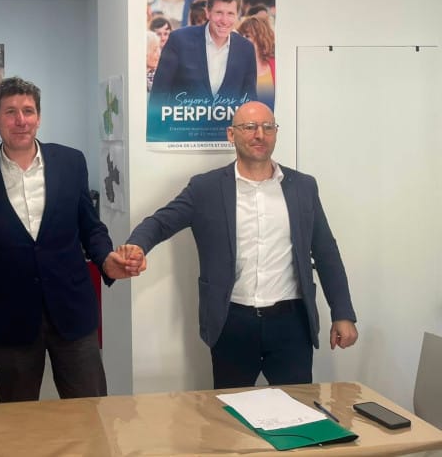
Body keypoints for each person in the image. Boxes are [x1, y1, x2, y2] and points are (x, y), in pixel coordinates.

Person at [124, 101, 358, 389]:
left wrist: (342, 313)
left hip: (291, 323)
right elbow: (160, 223)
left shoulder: (302, 187)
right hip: (231, 321)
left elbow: (325, 252)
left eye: (267, 127)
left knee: (297, 409)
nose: (259, 134)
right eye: (249, 127)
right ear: (231, 134)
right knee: (230, 412)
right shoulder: (206, 188)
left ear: (275, 133)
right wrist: (137, 246)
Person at [0, 77, 140, 403]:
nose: (20, 120)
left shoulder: (71, 163)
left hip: (72, 311)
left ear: (38, 117)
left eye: (28, 111)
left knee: (88, 411)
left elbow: (90, 227)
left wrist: (106, 258)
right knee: (19, 418)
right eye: (10, 112)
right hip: (11, 318)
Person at [149, 0, 257, 105]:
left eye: (230, 14)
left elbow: (249, 101)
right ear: (208, 13)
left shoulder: (246, 49)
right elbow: (158, 95)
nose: (224, 20)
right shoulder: (179, 40)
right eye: (219, 12)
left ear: (237, 16)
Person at [237, 15, 276, 109]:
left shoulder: (276, 66)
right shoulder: (235, 68)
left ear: (261, 39)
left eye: (247, 36)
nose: (241, 40)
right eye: (241, 35)